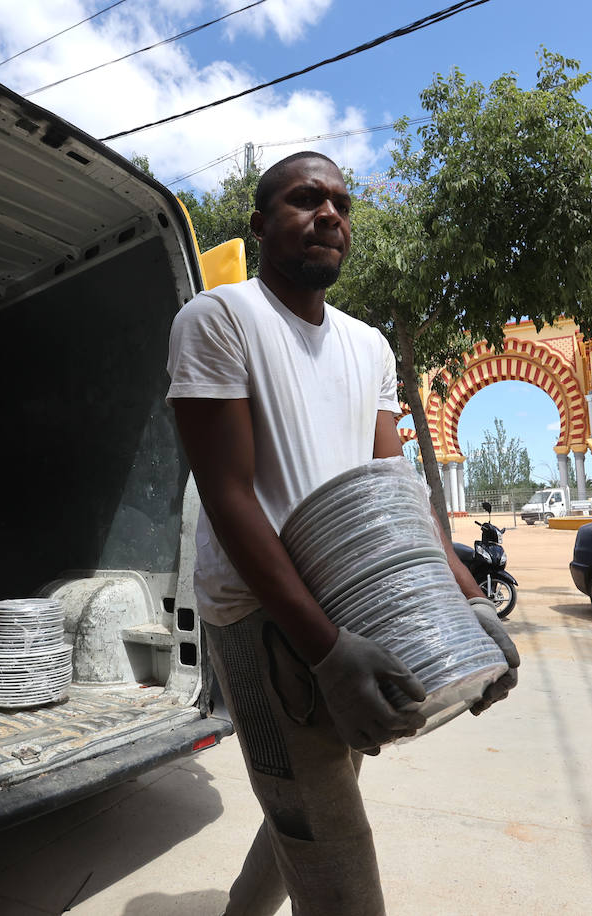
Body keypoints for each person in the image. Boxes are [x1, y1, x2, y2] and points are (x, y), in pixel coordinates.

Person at [167, 151, 521, 915]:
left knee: (308, 797)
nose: (329, 214)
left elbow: (398, 495)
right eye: (304, 199)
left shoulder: (370, 346)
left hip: (353, 607)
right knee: (336, 855)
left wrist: (473, 604)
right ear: (260, 224)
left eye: (340, 204)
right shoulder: (220, 319)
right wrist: (326, 651)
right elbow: (229, 499)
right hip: (261, 621)